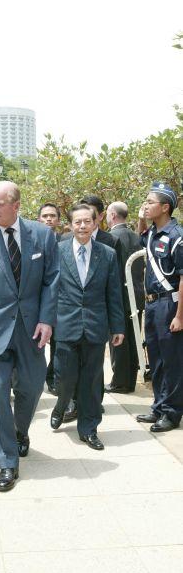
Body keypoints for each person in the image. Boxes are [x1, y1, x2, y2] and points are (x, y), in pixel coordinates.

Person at [0, 181, 59, 492]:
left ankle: (20, 430)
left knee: (32, 387)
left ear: (16, 205)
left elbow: (51, 281)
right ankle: (7, 462)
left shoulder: (43, 235)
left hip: (33, 328)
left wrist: (47, 318)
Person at [50, 204, 125, 450]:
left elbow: (113, 293)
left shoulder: (107, 254)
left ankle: (89, 428)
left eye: (87, 221)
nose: (82, 226)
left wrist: (118, 327)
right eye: (77, 222)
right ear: (70, 225)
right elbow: (48, 290)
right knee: (64, 377)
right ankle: (62, 405)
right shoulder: (57, 251)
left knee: (92, 382)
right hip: (65, 325)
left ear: (95, 224)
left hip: (95, 326)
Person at [136, 183, 183, 432]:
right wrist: (141, 218)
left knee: (172, 360)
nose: (146, 204)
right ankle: (159, 406)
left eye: (150, 201)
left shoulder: (177, 235)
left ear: (165, 207)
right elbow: (140, 239)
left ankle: (172, 412)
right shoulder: (153, 232)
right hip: (152, 304)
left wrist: (180, 315)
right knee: (155, 358)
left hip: (169, 303)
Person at [105, 201, 145, 393]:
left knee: (118, 340)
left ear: (112, 215)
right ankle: (130, 379)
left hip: (119, 297)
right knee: (133, 336)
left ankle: (120, 381)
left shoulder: (112, 238)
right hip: (137, 296)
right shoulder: (136, 236)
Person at [38, 202, 62, 395]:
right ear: (39, 219)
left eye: (52, 215)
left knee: (57, 344)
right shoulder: (33, 240)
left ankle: (52, 377)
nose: (48, 219)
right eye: (45, 215)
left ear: (58, 220)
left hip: (61, 302)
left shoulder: (65, 241)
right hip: (37, 302)